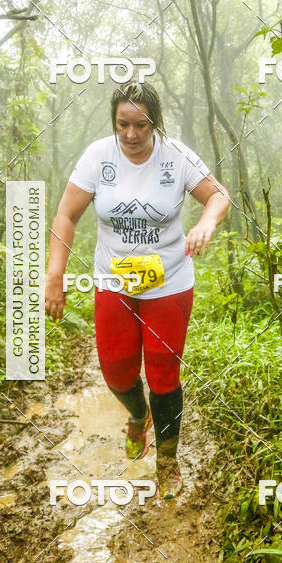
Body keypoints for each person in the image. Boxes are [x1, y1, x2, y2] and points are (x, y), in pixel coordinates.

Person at [44, 82, 230, 498]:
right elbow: (66, 215)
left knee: (164, 374)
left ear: (154, 123)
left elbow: (218, 196)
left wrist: (206, 223)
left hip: (168, 281)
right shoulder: (97, 156)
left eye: (140, 126)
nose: (131, 134)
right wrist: (55, 276)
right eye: (122, 124)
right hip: (114, 279)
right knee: (116, 371)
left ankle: (167, 461)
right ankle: (137, 413)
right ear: (114, 123)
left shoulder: (176, 155)